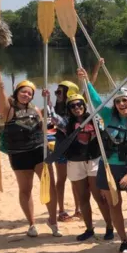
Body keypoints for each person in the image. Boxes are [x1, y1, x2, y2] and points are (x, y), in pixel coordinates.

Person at [77, 67, 127, 253]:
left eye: (125, 100)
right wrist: (86, 81)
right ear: (114, 104)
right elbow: (96, 100)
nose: (122, 104)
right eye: (118, 101)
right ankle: (124, 241)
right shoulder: (107, 116)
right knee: (114, 206)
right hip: (108, 168)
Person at [0, 65, 60, 237]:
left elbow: (44, 129)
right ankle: (32, 224)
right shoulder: (8, 110)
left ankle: (53, 221)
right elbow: (1, 94)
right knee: (25, 190)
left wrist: (47, 103)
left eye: (29, 93)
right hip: (19, 155)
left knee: (49, 187)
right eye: (23, 91)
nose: (26, 95)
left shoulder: (35, 110)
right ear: (17, 92)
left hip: (39, 152)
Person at [50, 92, 114, 241]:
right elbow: (52, 117)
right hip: (75, 163)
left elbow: (104, 126)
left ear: (84, 105)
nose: (77, 107)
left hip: (93, 162)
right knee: (83, 198)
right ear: (69, 108)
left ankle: (109, 227)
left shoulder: (94, 118)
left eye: (79, 104)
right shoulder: (66, 122)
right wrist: (48, 99)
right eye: (73, 105)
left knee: (99, 197)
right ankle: (89, 229)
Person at [46, 80, 81, 222]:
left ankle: (78, 209)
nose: (57, 94)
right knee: (61, 179)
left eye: (60, 92)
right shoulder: (58, 109)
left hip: (76, 149)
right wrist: (47, 101)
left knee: (76, 180)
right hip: (61, 148)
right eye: (56, 92)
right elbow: (55, 119)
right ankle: (61, 210)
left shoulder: (77, 108)